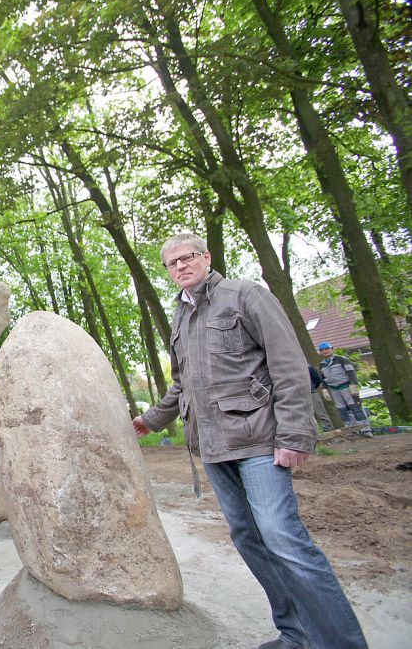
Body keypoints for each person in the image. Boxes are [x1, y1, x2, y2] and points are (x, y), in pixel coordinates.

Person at [132, 233, 367, 649]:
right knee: (249, 538)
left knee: (282, 538)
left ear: (206, 257)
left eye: (187, 257)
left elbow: (288, 364)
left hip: (259, 440)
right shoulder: (181, 316)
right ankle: (296, 634)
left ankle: (341, 643)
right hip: (213, 446)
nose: (180, 266)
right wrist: (150, 421)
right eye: (172, 263)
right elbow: (183, 384)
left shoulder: (245, 295)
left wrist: (295, 433)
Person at [318, 341, 373, 437]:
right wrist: (325, 389)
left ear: (332, 349)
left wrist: (353, 385)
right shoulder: (322, 364)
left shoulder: (342, 359)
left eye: (327, 349)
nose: (325, 351)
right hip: (334, 389)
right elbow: (323, 378)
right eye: (322, 350)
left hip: (346, 387)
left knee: (355, 407)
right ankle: (350, 430)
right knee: (342, 410)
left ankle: (365, 429)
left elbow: (351, 372)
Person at [308, 364, 332, 431]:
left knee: (321, 412)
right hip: (298, 396)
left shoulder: (309, 367)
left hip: (312, 392)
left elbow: (317, 380)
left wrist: (312, 387)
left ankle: (328, 428)